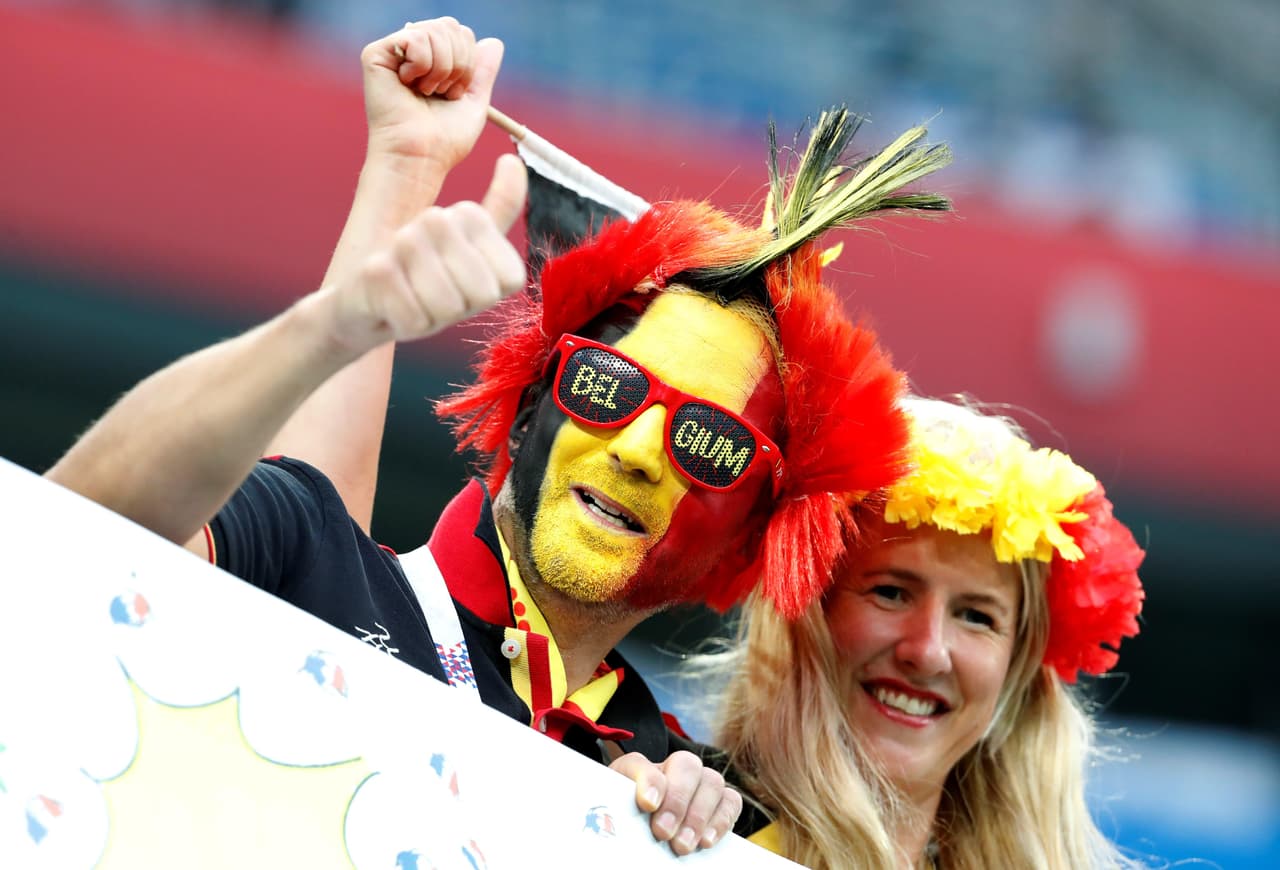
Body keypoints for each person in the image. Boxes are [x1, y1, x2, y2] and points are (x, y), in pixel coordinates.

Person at [46, 17, 951, 856]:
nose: (637, 447)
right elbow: (74, 528)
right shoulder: (308, 555)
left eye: (708, 444)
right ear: (528, 405)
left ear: (754, 540)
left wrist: (679, 842)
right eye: (606, 386)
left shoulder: (704, 806)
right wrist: (323, 331)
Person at [695, 396, 1147, 868]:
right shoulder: (691, 835)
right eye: (891, 593)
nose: (928, 652)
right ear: (808, 610)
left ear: (1016, 668)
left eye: (976, 617)